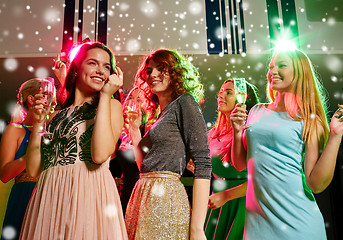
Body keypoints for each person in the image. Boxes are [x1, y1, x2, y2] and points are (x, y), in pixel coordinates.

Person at [230, 48, 343, 239]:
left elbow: (315, 184)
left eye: (281, 65)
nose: (272, 71)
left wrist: (335, 136)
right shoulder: (256, 111)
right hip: (258, 223)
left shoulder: (308, 119)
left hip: (298, 222)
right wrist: (237, 131)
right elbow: (240, 164)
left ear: (300, 72)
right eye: (271, 66)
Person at [19, 42, 128, 239]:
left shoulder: (111, 105)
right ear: (76, 69)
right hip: (50, 195)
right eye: (93, 63)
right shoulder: (55, 116)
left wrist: (105, 96)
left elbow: (100, 155)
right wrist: (38, 123)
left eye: (106, 67)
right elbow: (34, 170)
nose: (101, 71)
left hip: (89, 192)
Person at [124, 49, 212, 240]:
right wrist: (134, 132)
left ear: (176, 72)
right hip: (142, 197)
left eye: (160, 68)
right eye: (149, 70)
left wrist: (197, 228)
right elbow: (145, 167)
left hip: (166, 200)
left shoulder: (185, 102)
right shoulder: (159, 116)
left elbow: (203, 163)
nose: (152, 74)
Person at [203, 78, 259, 240]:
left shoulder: (251, 132)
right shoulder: (212, 134)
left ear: (243, 98)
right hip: (217, 203)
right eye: (221, 92)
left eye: (229, 92)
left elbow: (260, 179)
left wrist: (226, 195)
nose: (221, 96)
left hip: (243, 203)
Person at [0, 79, 48, 240]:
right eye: (47, 96)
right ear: (31, 99)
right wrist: (32, 154)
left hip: (51, 194)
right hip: (25, 197)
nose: (53, 102)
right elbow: (5, 175)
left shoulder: (56, 132)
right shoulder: (16, 130)